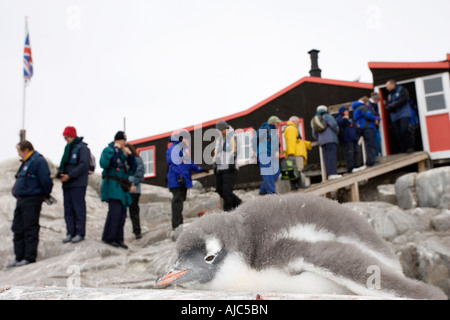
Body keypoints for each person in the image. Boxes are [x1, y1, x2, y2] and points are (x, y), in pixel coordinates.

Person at [8, 140, 53, 268]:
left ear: (26, 150)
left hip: (32, 199)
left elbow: (46, 180)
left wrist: (43, 194)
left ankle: (29, 258)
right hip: (21, 199)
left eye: (19, 151)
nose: (19, 155)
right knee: (17, 228)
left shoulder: (38, 161)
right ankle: (19, 257)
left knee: (30, 227)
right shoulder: (26, 161)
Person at [167, 131, 208, 240]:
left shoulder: (182, 150)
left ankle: (179, 225)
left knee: (180, 202)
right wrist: (180, 177)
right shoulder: (174, 148)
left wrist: (199, 169)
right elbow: (175, 164)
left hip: (182, 181)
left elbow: (188, 163)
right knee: (177, 202)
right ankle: (176, 227)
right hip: (176, 181)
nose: (188, 141)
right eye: (186, 139)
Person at [100, 131, 136, 249]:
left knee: (122, 214)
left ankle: (119, 238)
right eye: (122, 141)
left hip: (122, 187)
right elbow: (104, 164)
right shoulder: (108, 150)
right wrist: (115, 150)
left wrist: (130, 155)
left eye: (124, 141)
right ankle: (109, 238)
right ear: (117, 141)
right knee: (115, 212)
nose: (124, 143)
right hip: (113, 185)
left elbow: (132, 169)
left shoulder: (123, 153)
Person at [57, 126, 90, 244]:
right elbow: (64, 164)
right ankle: (70, 232)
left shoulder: (83, 148)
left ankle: (80, 233)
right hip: (67, 184)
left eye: (67, 137)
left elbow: (84, 165)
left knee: (78, 208)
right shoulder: (68, 148)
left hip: (78, 183)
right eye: (65, 137)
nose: (66, 139)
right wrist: (60, 174)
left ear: (72, 135)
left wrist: (70, 175)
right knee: (68, 209)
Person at [213, 120, 242, 211]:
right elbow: (216, 152)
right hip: (220, 168)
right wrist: (214, 164)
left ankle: (227, 212)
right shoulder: (219, 139)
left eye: (220, 130)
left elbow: (236, 150)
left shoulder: (233, 137)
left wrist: (232, 162)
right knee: (219, 190)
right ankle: (238, 203)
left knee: (227, 191)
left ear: (225, 129)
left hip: (230, 168)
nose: (219, 132)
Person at [252, 115, 282, 195]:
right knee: (267, 172)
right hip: (263, 152)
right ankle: (272, 192)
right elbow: (255, 139)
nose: (279, 125)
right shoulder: (265, 128)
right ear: (273, 123)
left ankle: (263, 190)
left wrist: (277, 151)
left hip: (272, 154)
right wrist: (254, 150)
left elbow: (277, 144)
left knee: (277, 172)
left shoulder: (274, 133)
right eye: (278, 123)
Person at [311, 105, 342, 180]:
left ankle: (329, 174)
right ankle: (333, 173)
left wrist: (319, 139)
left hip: (322, 141)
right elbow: (334, 125)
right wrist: (337, 131)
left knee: (326, 158)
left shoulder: (315, 119)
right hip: (330, 139)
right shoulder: (327, 116)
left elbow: (314, 133)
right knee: (332, 156)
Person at [385, 79, 414, 153]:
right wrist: (391, 106)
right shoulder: (389, 95)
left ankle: (410, 147)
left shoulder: (402, 90)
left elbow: (405, 99)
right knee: (397, 133)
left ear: (392, 84)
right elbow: (387, 106)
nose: (386, 88)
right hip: (394, 116)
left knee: (404, 129)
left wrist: (393, 105)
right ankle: (403, 149)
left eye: (387, 86)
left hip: (404, 113)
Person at [284, 116, 312, 189]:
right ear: (293, 121)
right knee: (297, 168)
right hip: (296, 152)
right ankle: (299, 184)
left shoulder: (290, 128)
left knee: (293, 169)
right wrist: (291, 152)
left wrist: (307, 144)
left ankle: (294, 186)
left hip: (295, 151)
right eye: (298, 122)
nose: (299, 124)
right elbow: (291, 141)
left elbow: (296, 141)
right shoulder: (291, 129)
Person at [336, 106, 363, 173]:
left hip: (354, 138)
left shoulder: (350, 119)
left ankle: (357, 166)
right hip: (347, 139)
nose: (348, 112)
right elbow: (339, 123)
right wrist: (345, 119)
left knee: (357, 152)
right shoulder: (340, 118)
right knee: (349, 154)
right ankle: (351, 168)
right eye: (346, 111)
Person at [353, 97, 378, 167]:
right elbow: (368, 115)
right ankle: (371, 162)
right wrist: (375, 119)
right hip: (368, 127)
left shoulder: (356, 108)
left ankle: (369, 161)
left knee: (368, 144)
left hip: (362, 128)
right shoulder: (363, 107)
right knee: (371, 144)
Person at [126, 143, 145, 240]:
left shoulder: (137, 160)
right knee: (129, 211)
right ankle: (135, 230)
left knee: (134, 210)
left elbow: (140, 172)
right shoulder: (125, 160)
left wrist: (134, 184)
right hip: (126, 189)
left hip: (134, 189)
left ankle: (137, 231)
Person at [369, 92, 382, 157]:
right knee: (375, 142)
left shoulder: (375, 105)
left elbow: (377, 114)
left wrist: (378, 119)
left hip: (376, 127)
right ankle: (375, 156)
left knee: (378, 140)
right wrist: (375, 119)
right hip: (371, 127)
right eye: (378, 100)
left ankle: (377, 154)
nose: (378, 102)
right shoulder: (369, 105)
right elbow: (369, 114)